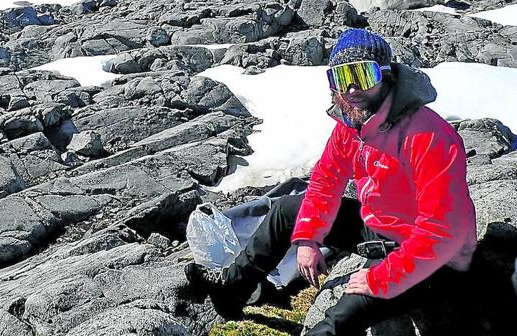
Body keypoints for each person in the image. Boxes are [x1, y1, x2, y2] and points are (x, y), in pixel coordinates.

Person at [186, 28, 478, 335]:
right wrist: (308, 239)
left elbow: (442, 233)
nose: (352, 88)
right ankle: (231, 288)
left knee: (342, 316)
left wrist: (379, 278)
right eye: (342, 77)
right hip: (379, 226)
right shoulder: (352, 125)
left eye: (363, 75)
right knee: (287, 210)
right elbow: (325, 183)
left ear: (387, 76)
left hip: (433, 261)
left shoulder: (429, 136)